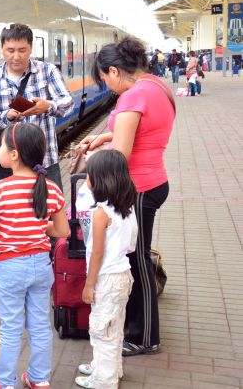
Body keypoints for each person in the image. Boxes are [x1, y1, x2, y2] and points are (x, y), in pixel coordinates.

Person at [80, 36, 175, 357]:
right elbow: (141, 131)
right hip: (154, 180)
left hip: (138, 188)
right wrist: (105, 136)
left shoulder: (133, 97)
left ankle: (145, 336)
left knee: (137, 262)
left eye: (105, 79)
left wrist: (94, 165)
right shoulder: (155, 86)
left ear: (114, 71)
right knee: (137, 258)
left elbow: (121, 154)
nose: (106, 86)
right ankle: (139, 328)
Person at [0, 123, 70, 389]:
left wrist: (9, 226)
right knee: (40, 324)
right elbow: (62, 229)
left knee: (10, 326)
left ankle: (6, 382)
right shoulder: (50, 188)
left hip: (10, 267)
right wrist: (41, 226)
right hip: (41, 265)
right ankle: (39, 379)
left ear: (14, 154)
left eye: (2, 146)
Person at [0, 23, 73, 189]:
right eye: (10, 50)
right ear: (2, 48)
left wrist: (48, 106)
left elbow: (68, 103)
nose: (16, 56)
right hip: (7, 166)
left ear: (31, 48)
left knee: (49, 212)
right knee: (7, 214)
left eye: (22, 50)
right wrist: (5, 116)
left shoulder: (48, 71)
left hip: (44, 163)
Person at [74, 150, 137, 389]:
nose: (87, 179)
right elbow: (131, 243)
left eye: (90, 174)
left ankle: (104, 381)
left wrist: (89, 285)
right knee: (113, 328)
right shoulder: (127, 206)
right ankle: (109, 368)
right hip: (123, 274)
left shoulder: (101, 213)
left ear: (101, 180)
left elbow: (97, 253)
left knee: (102, 330)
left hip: (105, 278)